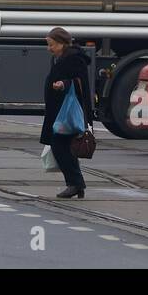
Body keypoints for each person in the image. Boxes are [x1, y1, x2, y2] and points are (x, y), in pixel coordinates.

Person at [40, 26, 91, 199]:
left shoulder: (74, 59)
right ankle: (76, 184)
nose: (49, 49)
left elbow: (80, 83)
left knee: (60, 146)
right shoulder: (59, 58)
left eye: (51, 45)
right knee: (65, 147)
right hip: (59, 111)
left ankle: (75, 184)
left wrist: (64, 84)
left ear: (62, 44)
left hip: (67, 112)